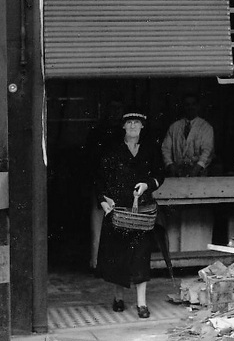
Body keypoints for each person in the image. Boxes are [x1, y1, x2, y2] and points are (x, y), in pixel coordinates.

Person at [96, 111, 163, 318]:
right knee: (118, 256)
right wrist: (102, 202)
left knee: (141, 256)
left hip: (141, 211)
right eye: (129, 123)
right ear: (123, 126)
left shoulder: (151, 149)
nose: (133, 126)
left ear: (142, 127)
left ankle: (142, 304)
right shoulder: (112, 150)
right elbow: (99, 178)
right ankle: (118, 298)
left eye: (137, 123)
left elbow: (160, 175)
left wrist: (147, 185)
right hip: (119, 211)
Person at [83, 97, 124, 271]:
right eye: (112, 109)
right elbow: (91, 159)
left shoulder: (125, 133)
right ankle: (97, 263)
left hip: (120, 183)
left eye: (118, 109)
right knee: (98, 224)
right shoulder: (97, 132)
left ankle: (117, 263)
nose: (114, 113)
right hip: (100, 182)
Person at [161, 94, 214, 176]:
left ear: (198, 106)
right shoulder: (174, 127)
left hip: (199, 174)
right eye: (187, 105)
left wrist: (197, 168)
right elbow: (166, 149)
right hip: (177, 174)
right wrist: (170, 164)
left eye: (193, 104)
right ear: (183, 107)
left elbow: (207, 151)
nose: (190, 107)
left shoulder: (206, 127)